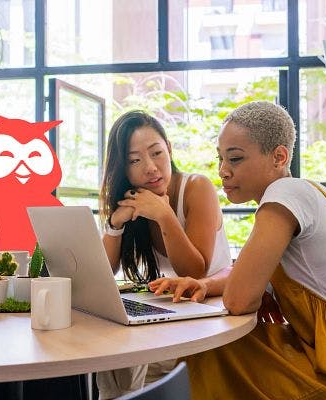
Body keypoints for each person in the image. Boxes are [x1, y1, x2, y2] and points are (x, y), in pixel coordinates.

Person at [149, 101, 326, 399]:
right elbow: (246, 278)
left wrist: (245, 291)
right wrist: (202, 284)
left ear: (279, 157)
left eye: (236, 159)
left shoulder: (286, 194)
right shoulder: (309, 192)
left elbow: (239, 299)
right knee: (215, 345)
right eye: (220, 159)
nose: (223, 171)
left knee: (208, 349)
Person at [97, 110, 232, 399]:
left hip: (210, 315)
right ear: (123, 169)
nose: (150, 167)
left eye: (156, 153)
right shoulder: (134, 199)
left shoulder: (197, 187)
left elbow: (194, 271)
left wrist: (164, 215)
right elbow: (104, 271)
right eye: (135, 160)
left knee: (128, 360)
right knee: (113, 353)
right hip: (174, 313)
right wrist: (116, 224)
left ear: (169, 149)